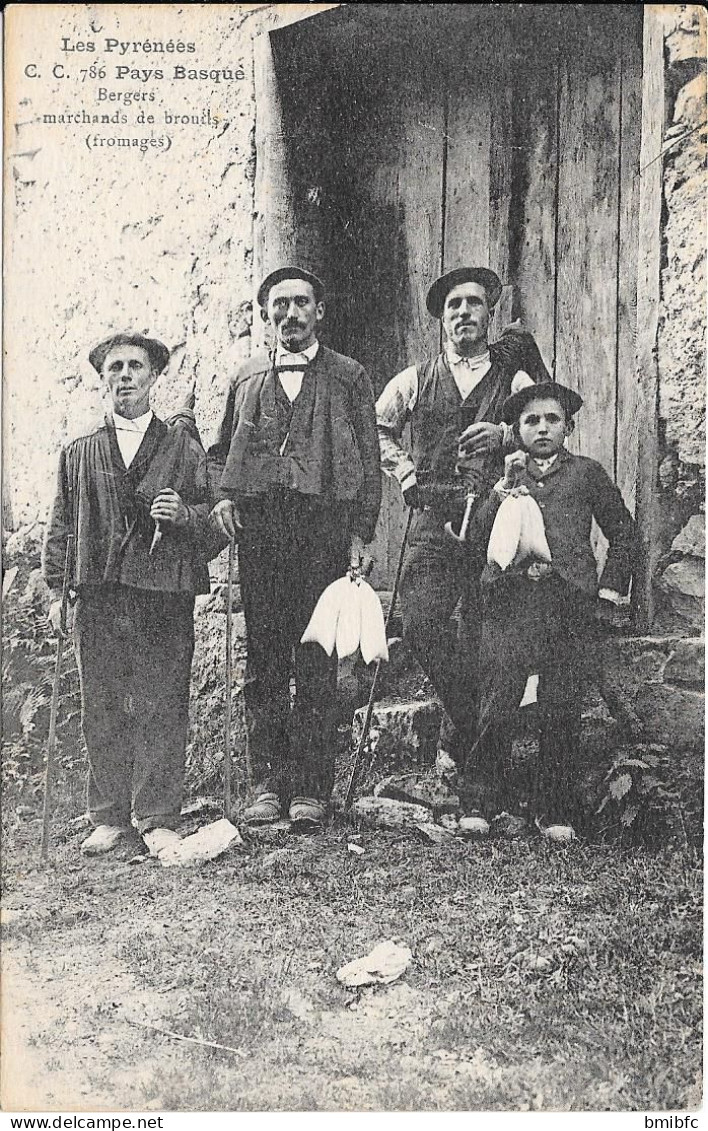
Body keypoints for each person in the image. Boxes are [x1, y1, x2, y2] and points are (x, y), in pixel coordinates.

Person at [209, 267, 381, 828]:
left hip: (322, 530)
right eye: (278, 305)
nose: (290, 314)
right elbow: (218, 455)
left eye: (300, 303)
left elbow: (370, 464)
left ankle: (310, 787)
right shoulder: (246, 378)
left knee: (317, 660)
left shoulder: (349, 377)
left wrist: (360, 533)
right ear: (266, 315)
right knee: (263, 660)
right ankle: (267, 783)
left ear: (319, 311)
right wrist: (224, 499)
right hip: (261, 533)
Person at [42, 333, 223, 859]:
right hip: (97, 590)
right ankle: (109, 815)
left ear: (154, 377)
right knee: (101, 700)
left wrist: (184, 515)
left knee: (162, 700)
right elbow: (60, 529)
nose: (125, 375)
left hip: (163, 591)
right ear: (103, 378)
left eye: (135, 366)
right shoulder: (79, 452)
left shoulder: (184, 448)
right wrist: (58, 590)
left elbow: (216, 522)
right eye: (114, 367)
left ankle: (158, 815)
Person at [376, 266, 551, 784]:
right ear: (441, 318)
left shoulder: (514, 379)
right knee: (422, 622)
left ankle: (472, 758)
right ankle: (475, 728)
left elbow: (546, 428)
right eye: (454, 306)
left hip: (497, 518)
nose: (464, 313)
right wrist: (405, 474)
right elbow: (375, 428)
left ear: (488, 314)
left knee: (487, 631)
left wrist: (505, 435)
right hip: (434, 517)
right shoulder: (414, 378)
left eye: (474, 304)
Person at [469, 379, 636, 838]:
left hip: (568, 604)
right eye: (531, 420)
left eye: (552, 419)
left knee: (560, 702)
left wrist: (606, 594)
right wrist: (502, 488)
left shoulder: (587, 473)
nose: (542, 428)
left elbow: (623, 534)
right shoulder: (503, 477)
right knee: (499, 695)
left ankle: (554, 808)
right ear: (516, 429)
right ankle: (484, 799)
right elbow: (477, 539)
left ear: (568, 426)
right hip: (510, 602)